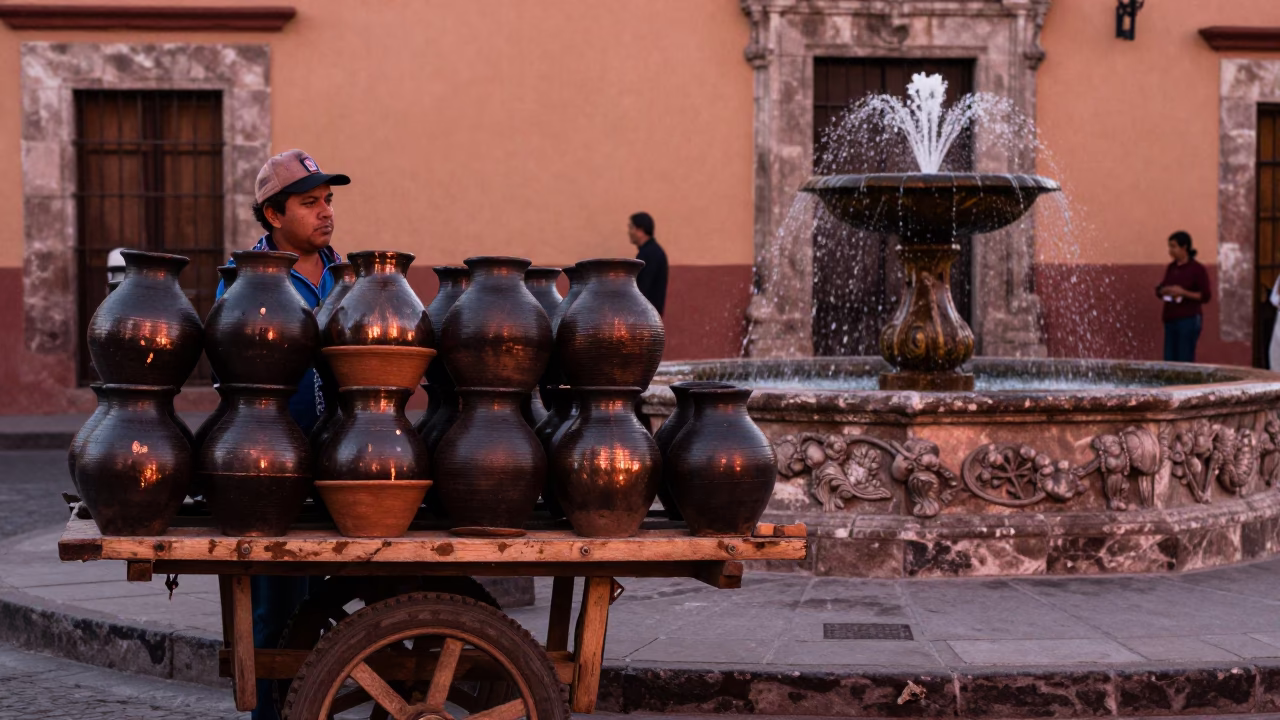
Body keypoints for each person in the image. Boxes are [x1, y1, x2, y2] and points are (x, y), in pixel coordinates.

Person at [218, 149, 349, 720]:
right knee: (275, 609)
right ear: (273, 216)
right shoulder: (242, 284)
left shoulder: (350, 276)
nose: (325, 214)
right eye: (309, 203)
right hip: (270, 465)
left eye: (327, 202)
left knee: (331, 603)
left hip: (345, 462)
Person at [1155, 230, 1211, 363]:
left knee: (1184, 357)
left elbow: (1205, 296)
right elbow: (1161, 288)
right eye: (1169, 247)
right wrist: (1164, 291)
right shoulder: (1171, 268)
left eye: (1173, 246)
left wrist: (1183, 292)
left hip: (1188, 319)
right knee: (1170, 358)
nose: (1170, 250)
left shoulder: (1197, 269)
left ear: (1184, 247)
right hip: (1171, 318)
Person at [628, 211, 668, 315]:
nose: (629, 232)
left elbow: (643, 288)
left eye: (631, 227)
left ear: (641, 230)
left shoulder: (648, 254)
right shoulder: (652, 251)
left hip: (646, 317)